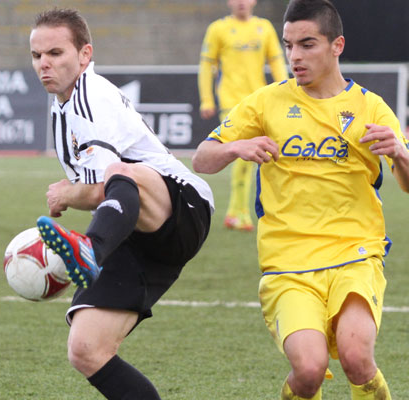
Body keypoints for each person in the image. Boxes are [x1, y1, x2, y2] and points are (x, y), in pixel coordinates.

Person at [193, 0, 409, 398]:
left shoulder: (370, 106)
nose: (294, 56)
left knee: (357, 357)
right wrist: (235, 148)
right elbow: (202, 159)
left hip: (355, 253)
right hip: (288, 263)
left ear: (336, 45)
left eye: (307, 44)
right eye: (289, 45)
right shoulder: (266, 102)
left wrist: (400, 152)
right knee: (309, 370)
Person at [30, 8, 214, 399]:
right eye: (37, 55)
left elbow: (105, 185)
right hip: (133, 231)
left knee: (122, 172)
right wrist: (76, 191)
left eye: (55, 53)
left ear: (84, 54)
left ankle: (89, 249)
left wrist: (67, 193)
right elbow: (105, 192)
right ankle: (91, 249)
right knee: (87, 350)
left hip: (184, 207)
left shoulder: (91, 96)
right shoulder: (61, 103)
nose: (44, 63)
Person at [198, 0, 288, 231]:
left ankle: (244, 212)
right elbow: (207, 66)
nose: (241, 2)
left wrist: (285, 91)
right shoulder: (218, 29)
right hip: (231, 103)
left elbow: (277, 62)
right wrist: (207, 99)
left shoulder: (264, 28)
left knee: (259, 156)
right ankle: (237, 212)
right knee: (244, 157)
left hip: (259, 102)